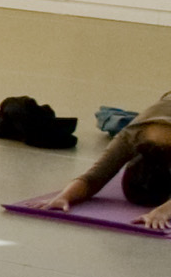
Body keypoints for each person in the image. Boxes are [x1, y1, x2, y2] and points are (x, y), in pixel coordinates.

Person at [23, 88, 171, 232]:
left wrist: (163, 211)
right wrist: (63, 197)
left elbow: (94, 177)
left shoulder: (127, 138)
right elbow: (92, 179)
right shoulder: (128, 138)